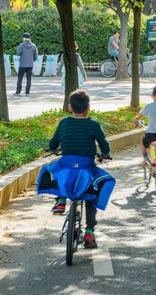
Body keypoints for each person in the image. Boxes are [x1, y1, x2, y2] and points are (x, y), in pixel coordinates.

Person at [47, 90, 111, 248]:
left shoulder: (64, 123)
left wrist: (52, 148)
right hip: (87, 168)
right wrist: (104, 155)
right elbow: (104, 145)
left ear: (70, 107)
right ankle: (89, 231)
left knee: (55, 171)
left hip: (67, 166)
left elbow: (53, 144)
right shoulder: (94, 125)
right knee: (91, 195)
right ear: (88, 108)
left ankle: (61, 201)